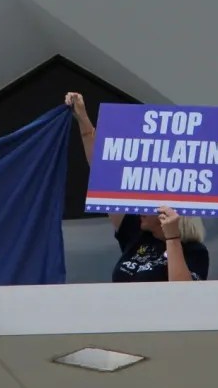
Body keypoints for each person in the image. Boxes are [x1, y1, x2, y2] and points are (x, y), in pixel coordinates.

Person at [64, 92, 210, 282]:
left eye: (149, 200)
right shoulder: (137, 233)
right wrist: (83, 119)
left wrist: (172, 238)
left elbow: (183, 292)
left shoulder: (195, 251)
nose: (140, 206)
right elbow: (103, 174)